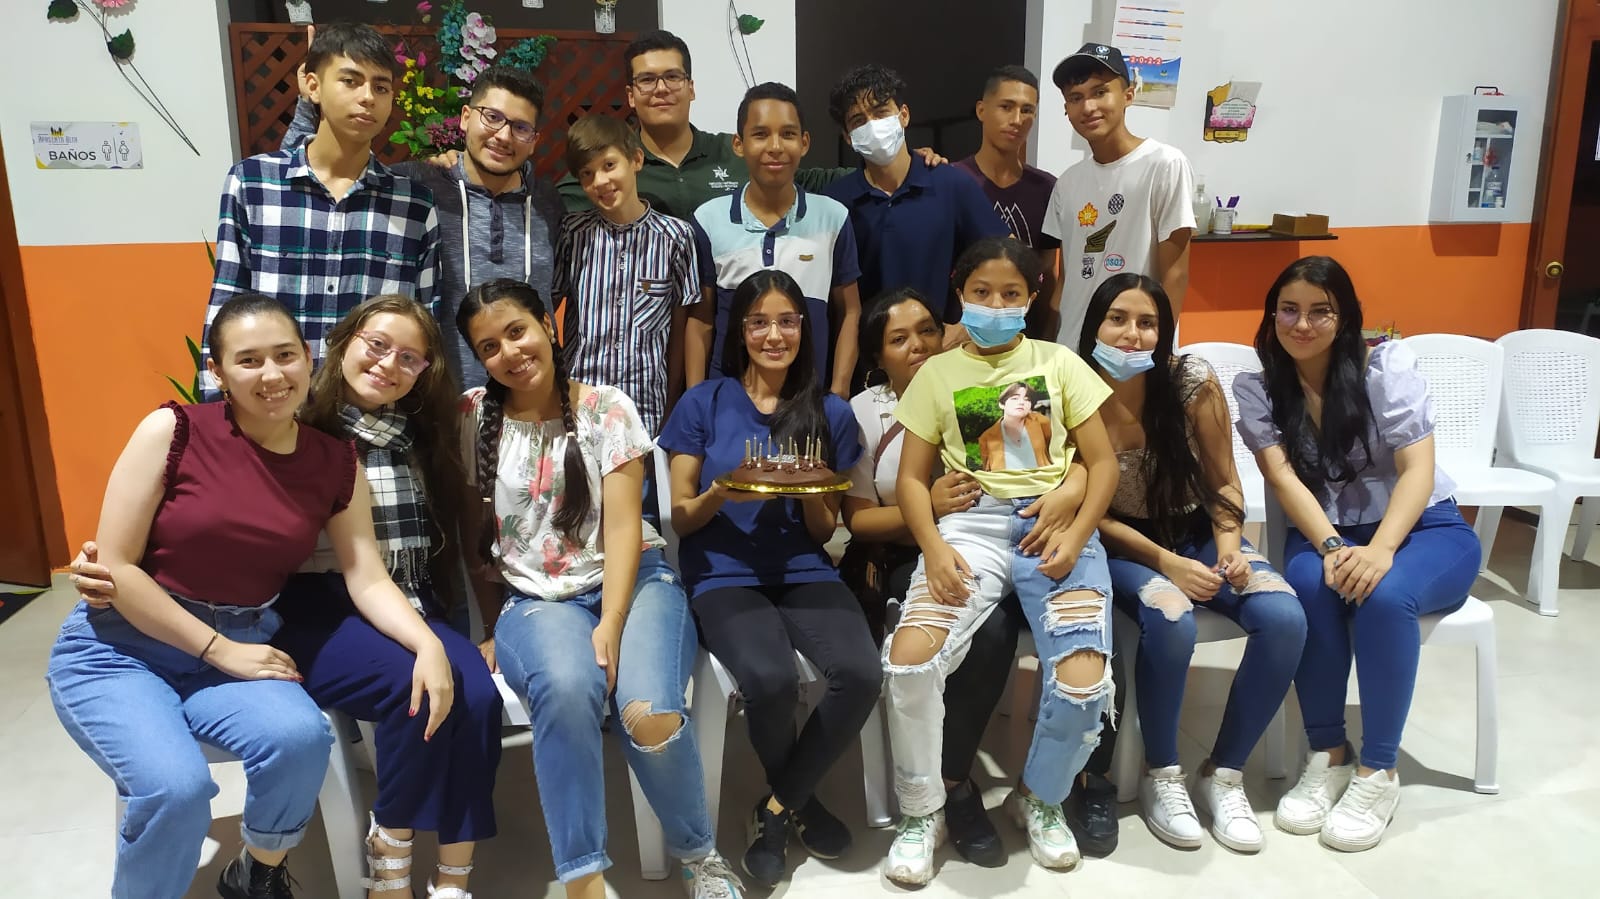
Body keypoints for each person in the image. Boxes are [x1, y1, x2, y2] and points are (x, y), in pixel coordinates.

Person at [71, 295, 502, 898]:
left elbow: (372, 573)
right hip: (169, 634)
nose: (271, 375)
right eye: (249, 360)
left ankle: (271, 871)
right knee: (178, 787)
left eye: (283, 356)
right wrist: (115, 574)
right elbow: (120, 560)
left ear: (306, 355)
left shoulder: (352, 455)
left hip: (275, 626)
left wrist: (433, 638)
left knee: (334, 731)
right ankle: (384, 867)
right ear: (217, 371)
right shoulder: (188, 428)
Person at [457, 278, 742, 898]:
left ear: (547, 325)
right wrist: (489, 626)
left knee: (649, 712)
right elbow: (475, 537)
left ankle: (700, 855)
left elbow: (621, 527)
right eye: (488, 347)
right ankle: (583, 879)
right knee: (566, 689)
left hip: (635, 580)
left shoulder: (607, 407)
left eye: (516, 331)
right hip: (537, 600)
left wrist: (610, 622)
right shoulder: (473, 415)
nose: (508, 353)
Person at [881, 237, 1118, 885]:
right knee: (910, 660)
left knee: (1083, 683)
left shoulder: (1059, 363)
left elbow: (1103, 464)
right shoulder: (937, 373)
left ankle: (1039, 797)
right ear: (959, 292)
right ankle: (921, 811)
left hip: (1054, 524)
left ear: (1033, 297)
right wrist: (933, 548)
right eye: (981, 292)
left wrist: (1078, 532)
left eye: (1011, 293)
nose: (995, 304)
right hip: (972, 527)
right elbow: (911, 480)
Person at [1234, 256, 1481, 852]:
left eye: (1320, 311)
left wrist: (1381, 549)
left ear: (1344, 317)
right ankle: (1329, 752)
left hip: (1424, 529)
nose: (1302, 324)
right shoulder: (1261, 387)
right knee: (1306, 589)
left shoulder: (1384, 368)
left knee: (1385, 596)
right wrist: (1334, 546)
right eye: (1289, 310)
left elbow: (1418, 470)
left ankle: (1378, 771)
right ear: (1272, 314)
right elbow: (1283, 479)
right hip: (1331, 531)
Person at [658, 269, 879, 888]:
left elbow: (824, 529)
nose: (773, 335)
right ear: (741, 331)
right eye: (759, 322)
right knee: (769, 679)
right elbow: (681, 516)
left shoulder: (828, 412)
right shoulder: (703, 402)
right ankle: (801, 802)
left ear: (804, 329)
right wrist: (721, 492)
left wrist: (812, 493)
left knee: (861, 673)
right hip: (723, 573)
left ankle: (778, 807)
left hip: (803, 567)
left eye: (786, 321)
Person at [842, 287, 1076, 869]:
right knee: (985, 635)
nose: (918, 345)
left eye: (927, 330)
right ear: (878, 356)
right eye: (899, 339)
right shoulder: (864, 413)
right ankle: (940, 795)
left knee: (1033, 636)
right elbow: (858, 520)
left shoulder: (980, 387)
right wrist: (927, 509)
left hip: (997, 544)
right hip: (901, 551)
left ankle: (967, 781)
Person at [1078, 273, 1305, 854]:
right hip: (1116, 542)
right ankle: (1163, 773)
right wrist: (1165, 564)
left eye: (1147, 322)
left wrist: (1230, 545)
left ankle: (1223, 773)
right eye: (1117, 319)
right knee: (1172, 617)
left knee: (1284, 617)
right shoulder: (1069, 387)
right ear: (1094, 325)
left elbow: (1223, 479)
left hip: (1198, 529)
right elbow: (1082, 509)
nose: (1132, 335)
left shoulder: (1191, 382)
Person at [283, 41, 566, 390]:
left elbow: (556, 291)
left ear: (534, 140)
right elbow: (305, 185)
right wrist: (308, 105)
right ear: (466, 118)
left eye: (521, 127)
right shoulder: (417, 186)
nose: (504, 136)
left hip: (531, 394)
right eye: (492, 117)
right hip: (439, 398)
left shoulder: (548, 203)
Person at [204, 23, 441, 394]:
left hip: (369, 412)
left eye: (381, 87)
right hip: (274, 405)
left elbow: (425, 323)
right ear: (313, 86)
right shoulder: (253, 184)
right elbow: (227, 303)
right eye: (350, 81)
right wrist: (214, 409)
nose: (368, 97)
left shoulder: (413, 205)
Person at [556, 30, 853, 217]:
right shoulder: (612, 162)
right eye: (647, 80)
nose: (661, 89)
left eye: (673, 77)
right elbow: (555, 202)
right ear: (631, 95)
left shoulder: (733, 151)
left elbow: (809, 180)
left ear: (691, 88)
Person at [689, 82, 862, 397]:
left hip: (807, 401)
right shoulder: (709, 219)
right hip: (728, 402)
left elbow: (850, 312)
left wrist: (838, 392)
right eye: (760, 134)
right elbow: (701, 320)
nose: (775, 146)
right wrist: (697, 400)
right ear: (739, 144)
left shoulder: (833, 218)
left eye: (788, 134)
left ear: (804, 143)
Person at [824, 64, 1010, 351]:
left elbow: (1010, 261)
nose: (872, 125)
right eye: (858, 120)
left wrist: (967, 325)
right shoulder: (835, 203)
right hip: (870, 363)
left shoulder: (951, 184)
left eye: (880, 112)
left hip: (942, 356)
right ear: (848, 137)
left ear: (904, 115)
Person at [1040, 43, 1195, 347]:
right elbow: (1068, 276)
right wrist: (1049, 341)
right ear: (1066, 109)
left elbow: (1175, 275)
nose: (1088, 107)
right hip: (1072, 347)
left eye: (1100, 92)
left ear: (1128, 95)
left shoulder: (1164, 164)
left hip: (1132, 347)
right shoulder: (1067, 182)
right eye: (1076, 98)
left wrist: (1160, 351)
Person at [556, 113, 701, 437]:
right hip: (579, 404)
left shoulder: (676, 238)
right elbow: (550, 309)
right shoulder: (571, 234)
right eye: (587, 174)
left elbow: (681, 328)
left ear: (636, 159)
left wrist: (673, 403)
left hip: (646, 409)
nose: (600, 181)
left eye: (609, 165)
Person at [954, 65, 1061, 338]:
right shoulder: (950, 180)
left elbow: (1047, 271)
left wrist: (1048, 334)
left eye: (1027, 110)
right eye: (1006, 107)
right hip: (960, 338)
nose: (1017, 120)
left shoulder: (1047, 188)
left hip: (1024, 338)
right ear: (981, 110)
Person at [977, 381, 1053, 471]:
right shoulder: (987, 437)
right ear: (1002, 404)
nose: (1021, 402)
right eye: (1015, 398)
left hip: (1042, 478)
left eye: (1027, 399)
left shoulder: (1041, 422)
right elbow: (987, 469)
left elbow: (1057, 450)